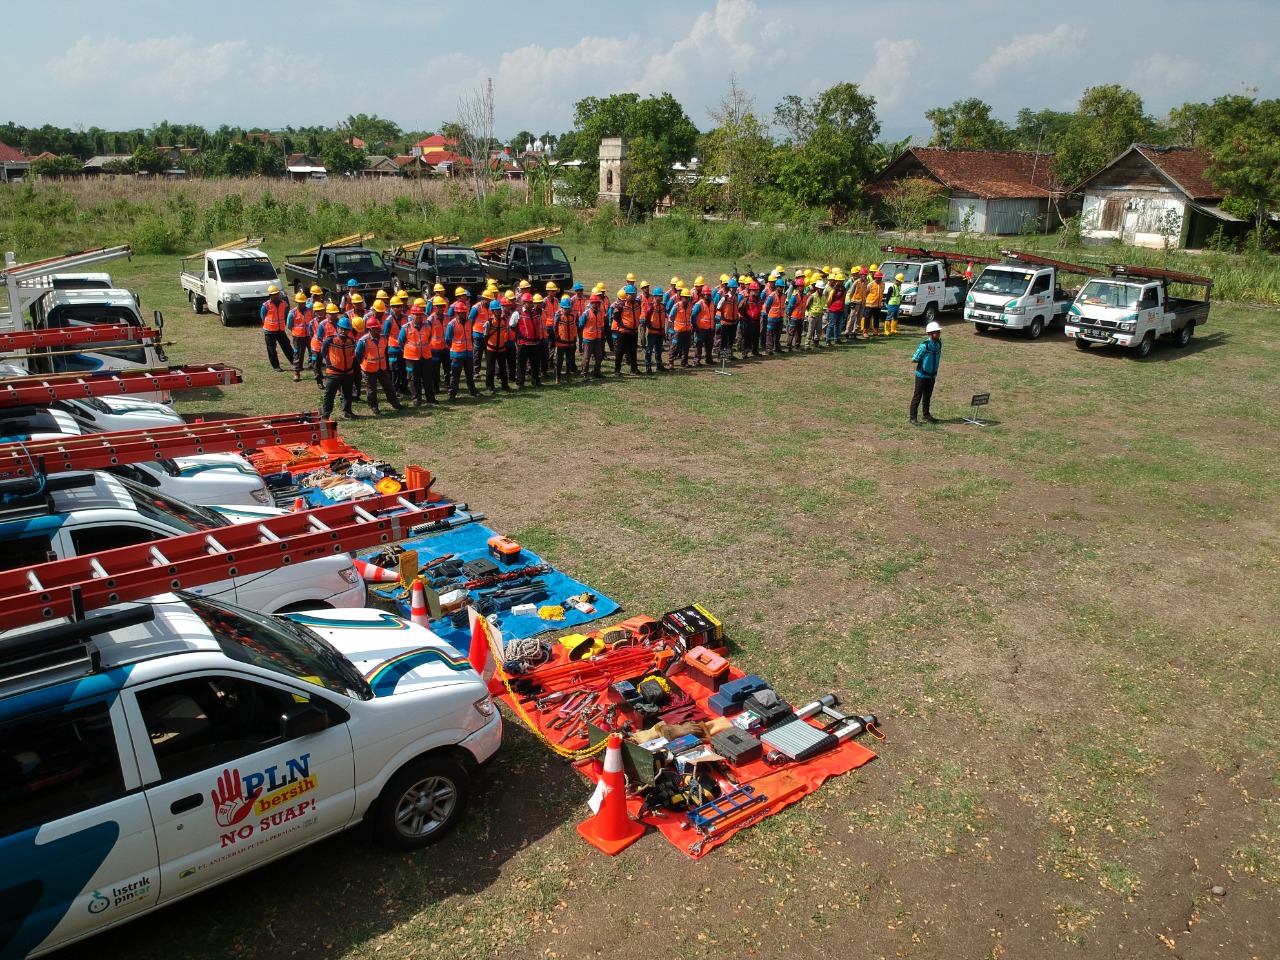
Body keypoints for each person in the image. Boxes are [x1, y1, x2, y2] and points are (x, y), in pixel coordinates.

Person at [355, 320, 404, 415]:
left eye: (379, 327)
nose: (379, 329)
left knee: (389, 386)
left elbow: (384, 352)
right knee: (372, 390)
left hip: (381, 368)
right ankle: (374, 406)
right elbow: (358, 354)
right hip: (369, 369)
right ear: (371, 329)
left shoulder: (383, 339)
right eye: (377, 328)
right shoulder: (363, 341)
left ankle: (395, 404)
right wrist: (363, 363)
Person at [320, 317, 359, 421]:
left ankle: (347, 412)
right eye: (341, 328)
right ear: (337, 328)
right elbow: (323, 352)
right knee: (329, 394)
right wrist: (331, 363)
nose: (343, 331)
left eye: (346, 329)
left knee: (347, 393)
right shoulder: (330, 340)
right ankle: (326, 414)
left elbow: (352, 354)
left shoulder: (350, 341)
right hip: (334, 372)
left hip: (348, 372)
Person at [444, 298, 480, 399]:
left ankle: (472, 391)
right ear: (457, 313)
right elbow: (448, 339)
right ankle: (452, 393)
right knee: (455, 375)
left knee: (469, 374)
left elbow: (470, 336)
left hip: (468, 353)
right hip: (457, 353)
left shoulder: (469, 322)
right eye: (462, 313)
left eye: (465, 312)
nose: (465, 314)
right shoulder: (452, 324)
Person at [909, 321, 943, 426]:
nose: (939, 334)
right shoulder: (924, 345)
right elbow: (915, 359)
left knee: (927, 396)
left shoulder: (938, 344)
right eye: (936, 332)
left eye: (939, 332)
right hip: (922, 375)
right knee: (917, 396)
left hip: (932, 375)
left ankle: (926, 415)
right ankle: (912, 417)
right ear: (930, 333)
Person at [399, 304, 432, 405]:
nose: (419, 317)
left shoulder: (427, 327)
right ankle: (416, 398)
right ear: (412, 315)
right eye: (416, 315)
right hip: (411, 358)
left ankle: (430, 397)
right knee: (414, 379)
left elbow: (429, 339)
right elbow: (401, 342)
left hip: (425, 356)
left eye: (420, 315)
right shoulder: (405, 328)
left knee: (427, 378)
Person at [260, 285, 295, 371]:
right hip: (269, 332)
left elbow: (285, 314)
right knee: (271, 350)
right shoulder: (266, 305)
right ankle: (276, 366)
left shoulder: (284, 303)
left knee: (287, 347)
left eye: (277, 294)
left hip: (280, 331)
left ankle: (295, 363)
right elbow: (262, 316)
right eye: (273, 294)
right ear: (270, 295)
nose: (276, 296)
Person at [481, 298, 511, 393]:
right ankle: (489, 386)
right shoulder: (489, 322)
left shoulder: (504, 320)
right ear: (493, 311)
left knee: (503, 368)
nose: (499, 311)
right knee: (490, 368)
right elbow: (485, 336)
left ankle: (505, 385)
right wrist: (489, 345)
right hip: (491, 348)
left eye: (499, 309)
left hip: (502, 348)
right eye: (497, 309)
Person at [612, 285, 643, 375]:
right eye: (631, 295)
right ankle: (617, 370)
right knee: (620, 351)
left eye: (634, 294)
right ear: (626, 295)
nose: (633, 296)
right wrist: (623, 325)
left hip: (633, 332)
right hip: (623, 332)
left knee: (633, 351)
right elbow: (615, 317)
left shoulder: (638, 303)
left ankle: (634, 369)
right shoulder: (621, 305)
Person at [515, 294, 543, 388]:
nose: (531, 304)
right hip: (523, 343)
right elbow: (512, 326)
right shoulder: (518, 313)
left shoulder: (536, 313)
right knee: (521, 364)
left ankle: (535, 380)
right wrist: (521, 336)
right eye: (529, 303)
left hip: (535, 343)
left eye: (532, 302)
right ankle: (520, 382)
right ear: (524, 303)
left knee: (535, 363)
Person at [579, 293, 607, 380]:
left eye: (598, 302)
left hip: (597, 339)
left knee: (599, 357)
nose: (598, 304)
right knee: (586, 358)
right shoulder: (586, 313)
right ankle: (584, 373)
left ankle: (597, 372)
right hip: (588, 339)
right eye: (596, 302)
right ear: (592, 303)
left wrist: (602, 333)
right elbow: (581, 325)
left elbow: (601, 324)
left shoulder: (599, 313)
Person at [286, 291, 311, 382]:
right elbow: (289, 325)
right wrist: (297, 331)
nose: (301, 304)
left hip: (309, 336)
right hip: (298, 337)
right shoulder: (292, 313)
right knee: (298, 355)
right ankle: (297, 372)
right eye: (299, 303)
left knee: (313, 353)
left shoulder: (309, 311)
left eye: (303, 303)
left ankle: (316, 370)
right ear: (297, 302)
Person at [552, 296, 578, 383]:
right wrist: (558, 339)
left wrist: (574, 338)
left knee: (568, 361)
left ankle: (567, 376)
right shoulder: (558, 316)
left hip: (570, 342)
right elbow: (555, 329)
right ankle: (558, 377)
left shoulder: (572, 315)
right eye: (565, 309)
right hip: (561, 343)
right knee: (559, 361)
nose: (567, 310)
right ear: (562, 308)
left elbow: (574, 327)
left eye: (569, 308)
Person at [643, 285, 667, 373]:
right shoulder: (650, 307)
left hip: (660, 332)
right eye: (660, 296)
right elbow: (646, 319)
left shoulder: (662, 307)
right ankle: (648, 367)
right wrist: (650, 327)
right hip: (653, 333)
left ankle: (659, 365)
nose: (661, 297)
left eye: (662, 296)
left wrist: (663, 331)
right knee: (649, 350)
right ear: (655, 296)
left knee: (659, 350)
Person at [690, 287, 716, 365]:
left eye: (709, 294)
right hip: (701, 329)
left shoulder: (712, 303)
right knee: (699, 345)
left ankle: (709, 359)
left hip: (710, 328)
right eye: (706, 295)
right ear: (703, 295)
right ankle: (697, 360)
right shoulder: (699, 304)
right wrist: (695, 326)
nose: (708, 296)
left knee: (709, 345)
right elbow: (693, 316)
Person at [668, 288, 694, 366]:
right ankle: (671, 362)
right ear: (682, 297)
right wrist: (672, 328)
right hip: (678, 330)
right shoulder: (676, 306)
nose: (687, 299)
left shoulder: (690, 306)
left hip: (687, 330)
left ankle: (684, 362)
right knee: (675, 347)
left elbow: (691, 316)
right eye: (685, 297)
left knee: (686, 347)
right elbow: (671, 317)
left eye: (688, 297)